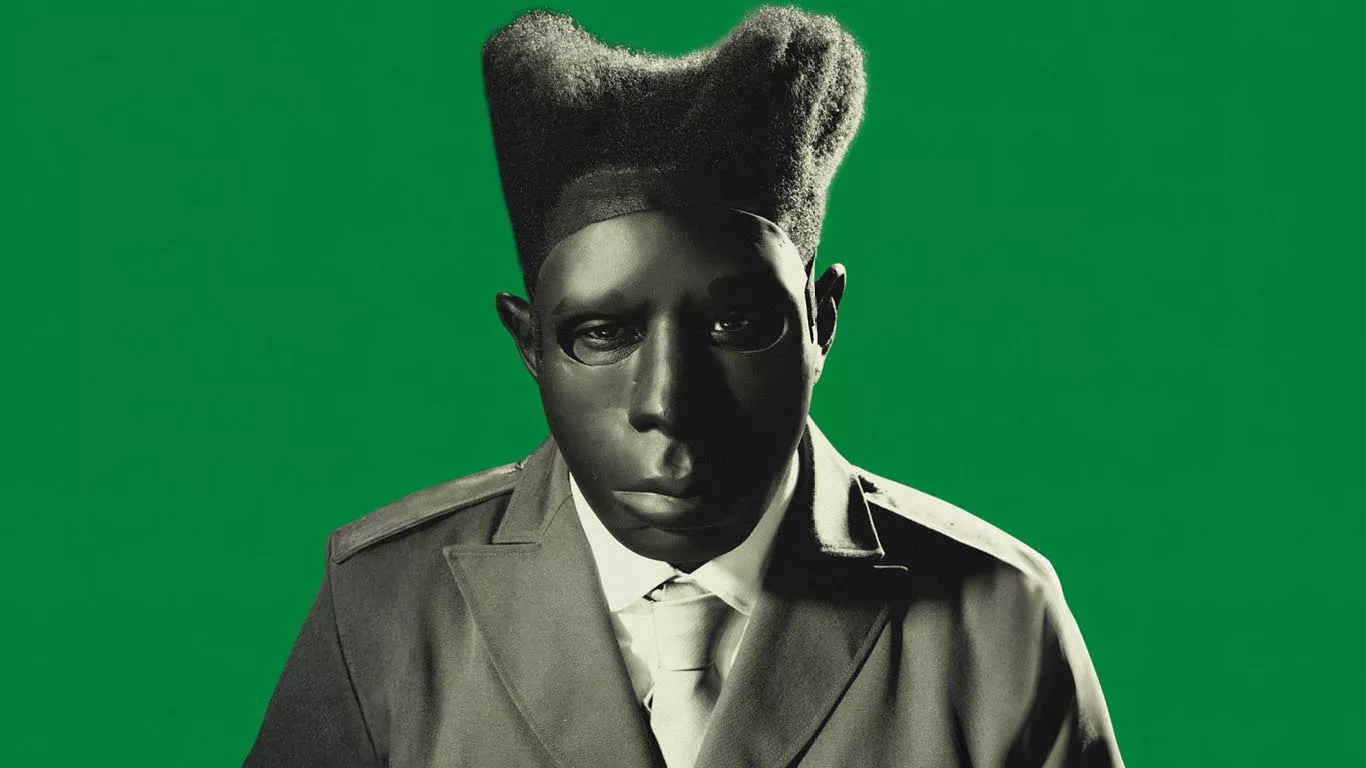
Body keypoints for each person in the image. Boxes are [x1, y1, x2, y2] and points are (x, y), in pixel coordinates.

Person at [244, 7, 1124, 767]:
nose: (668, 401)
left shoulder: (999, 616)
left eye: (735, 324)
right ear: (528, 343)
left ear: (822, 322)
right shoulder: (383, 605)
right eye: (603, 334)